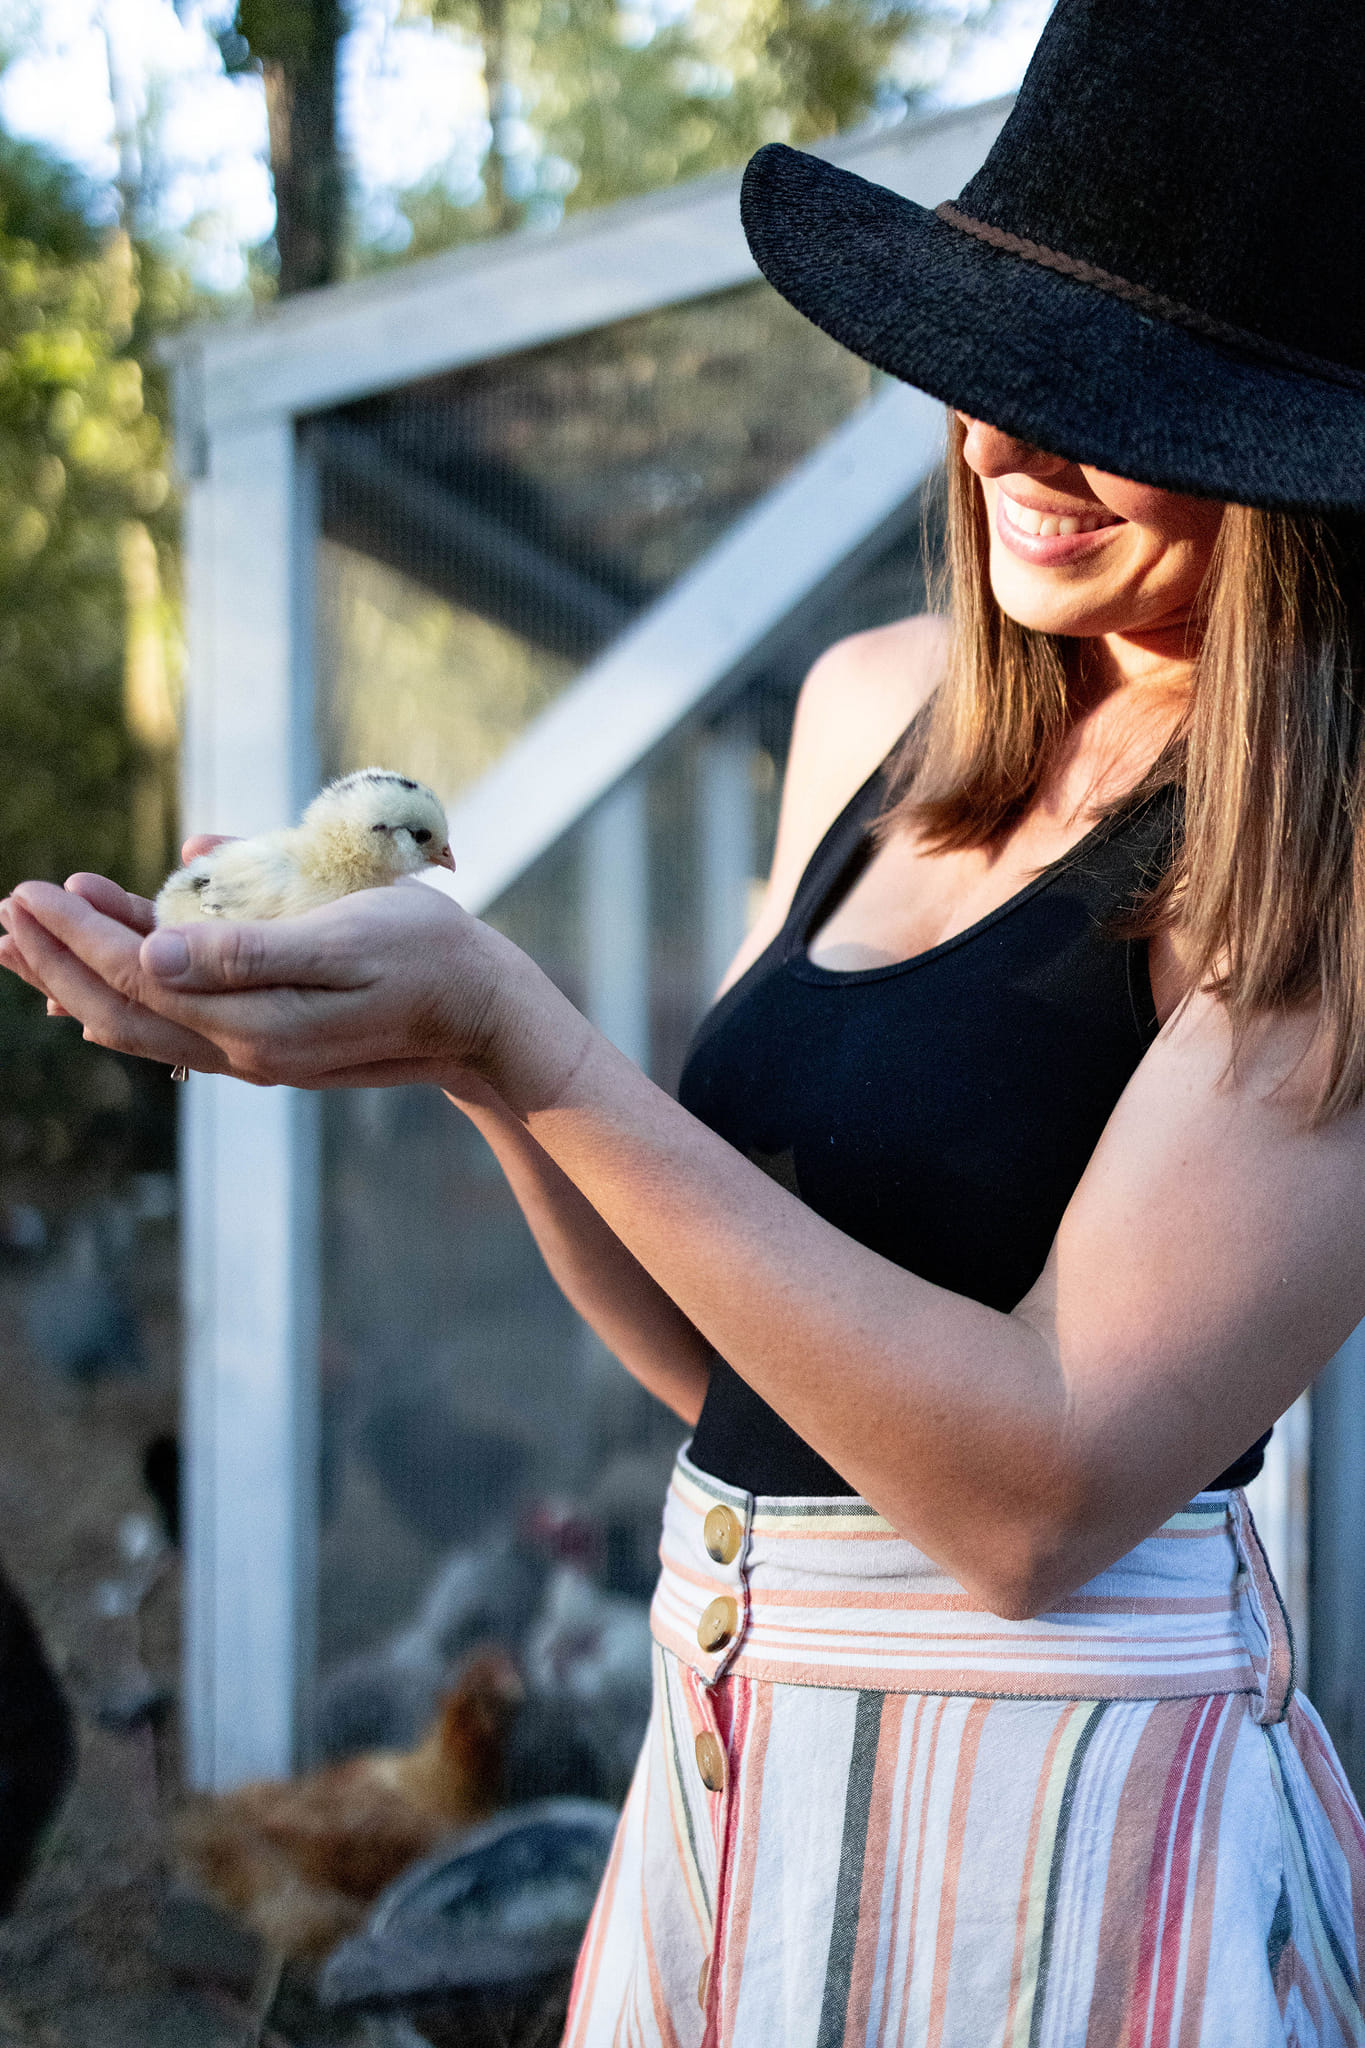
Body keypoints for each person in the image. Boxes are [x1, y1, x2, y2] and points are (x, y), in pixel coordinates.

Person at [4, 0, 1365, 2035]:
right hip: (735, 1735)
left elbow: (1038, 1490)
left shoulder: (1320, 834)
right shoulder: (866, 716)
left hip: (1050, 1813)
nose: (1006, 445)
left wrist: (531, 1035)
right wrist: (468, 1065)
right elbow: (716, 1356)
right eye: (991, 371)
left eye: (1112, 398)